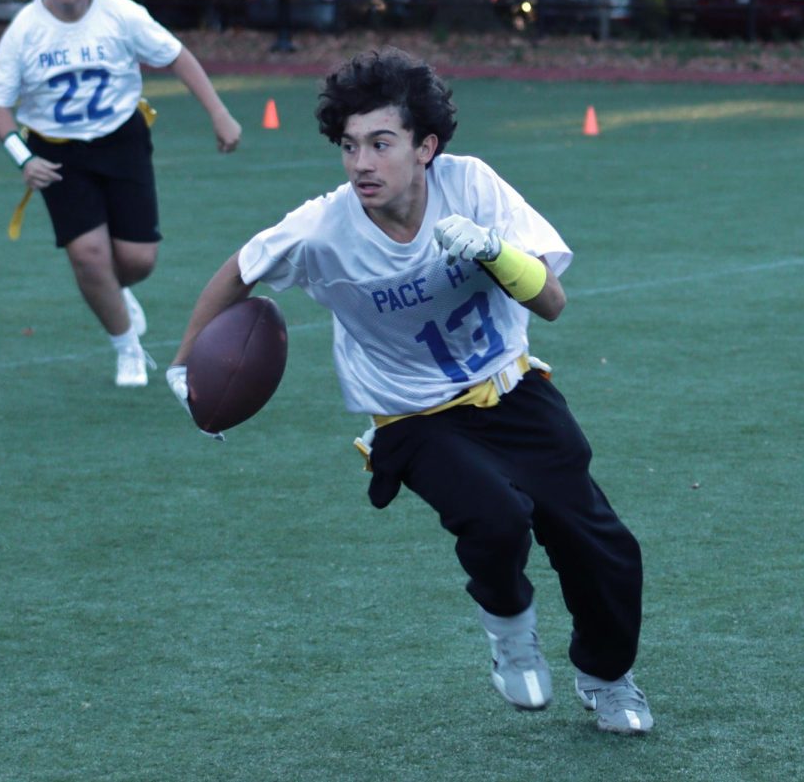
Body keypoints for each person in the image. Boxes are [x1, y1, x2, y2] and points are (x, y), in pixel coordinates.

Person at [166, 47, 652, 734]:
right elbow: (238, 270)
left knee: (603, 546)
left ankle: (608, 679)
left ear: (425, 146)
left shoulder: (474, 185)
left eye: (381, 143)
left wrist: (491, 249)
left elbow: (553, 301)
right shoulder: (321, 228)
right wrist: (187, 368)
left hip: (512, 391)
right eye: (349, 145)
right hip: (413, 418)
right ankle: (510, 627)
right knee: (495, 514)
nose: (362, 162)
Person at [0, 0, 242, 387]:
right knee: (88, 255)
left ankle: (115, 292)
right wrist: (23, 158)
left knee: (138, 260)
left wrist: (219, 114)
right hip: (56, 150)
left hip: (122, 139)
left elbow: (177, 56)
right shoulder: (25, 29)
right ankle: (127, 347)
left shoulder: (120, 13)